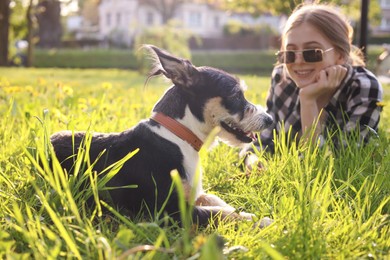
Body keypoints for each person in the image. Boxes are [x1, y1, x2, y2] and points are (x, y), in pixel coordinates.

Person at [243, 3, 383, 166]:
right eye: (290, 54)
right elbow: (262, 142)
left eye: (312, 53)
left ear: (340, 55)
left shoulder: (364, 88)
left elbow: (339, 166)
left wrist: (308, 101)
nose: (299, 62)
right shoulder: (282, 77)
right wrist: (253, 162)